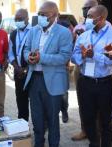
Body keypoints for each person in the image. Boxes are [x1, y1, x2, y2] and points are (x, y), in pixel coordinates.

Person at [23, 1, 73, 147]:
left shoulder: (64, 33)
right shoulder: (34, 30)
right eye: (38, 13)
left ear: (54, 15)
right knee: (37, 120)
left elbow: (64, 57)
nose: (40, 16)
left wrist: (41, 58)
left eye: (43, 14)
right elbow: (26, 49)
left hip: (53, 83)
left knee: (52, 120)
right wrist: (29, 57)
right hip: (35, 80)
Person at [71, 5, 112, 147]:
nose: (87, 19)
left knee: (106, 121)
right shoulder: (84, 35)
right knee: (88, 118)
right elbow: (74, 57)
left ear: (102, 18)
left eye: (91, 16)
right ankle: (93, 143)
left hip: (105, 84)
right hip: (85, 82)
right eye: (87, 16)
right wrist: (82, 56)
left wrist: (95, 55)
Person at [71, 0, 98, 141]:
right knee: (82, 101)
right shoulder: (78, 26)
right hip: (80, 68)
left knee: (97, 104)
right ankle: (84, 130)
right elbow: (73, 48)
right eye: (84, 8)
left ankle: (96, 132)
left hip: (98, 70)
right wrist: (76, 36)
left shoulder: (106, 26)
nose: (85, 10)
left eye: (89, 8)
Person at [8, 8, 31, 121]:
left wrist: (26, 69)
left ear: (27, 18)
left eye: (20, 19)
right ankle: (23, 125)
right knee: (21, 101)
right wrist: (16, 67)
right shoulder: (13, 33)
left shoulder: (34, 31)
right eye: (16, 19)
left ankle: (40, 128)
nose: (18, 21)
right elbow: (10, 53)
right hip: (18, 73)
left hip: (32, 73)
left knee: (36, 102)